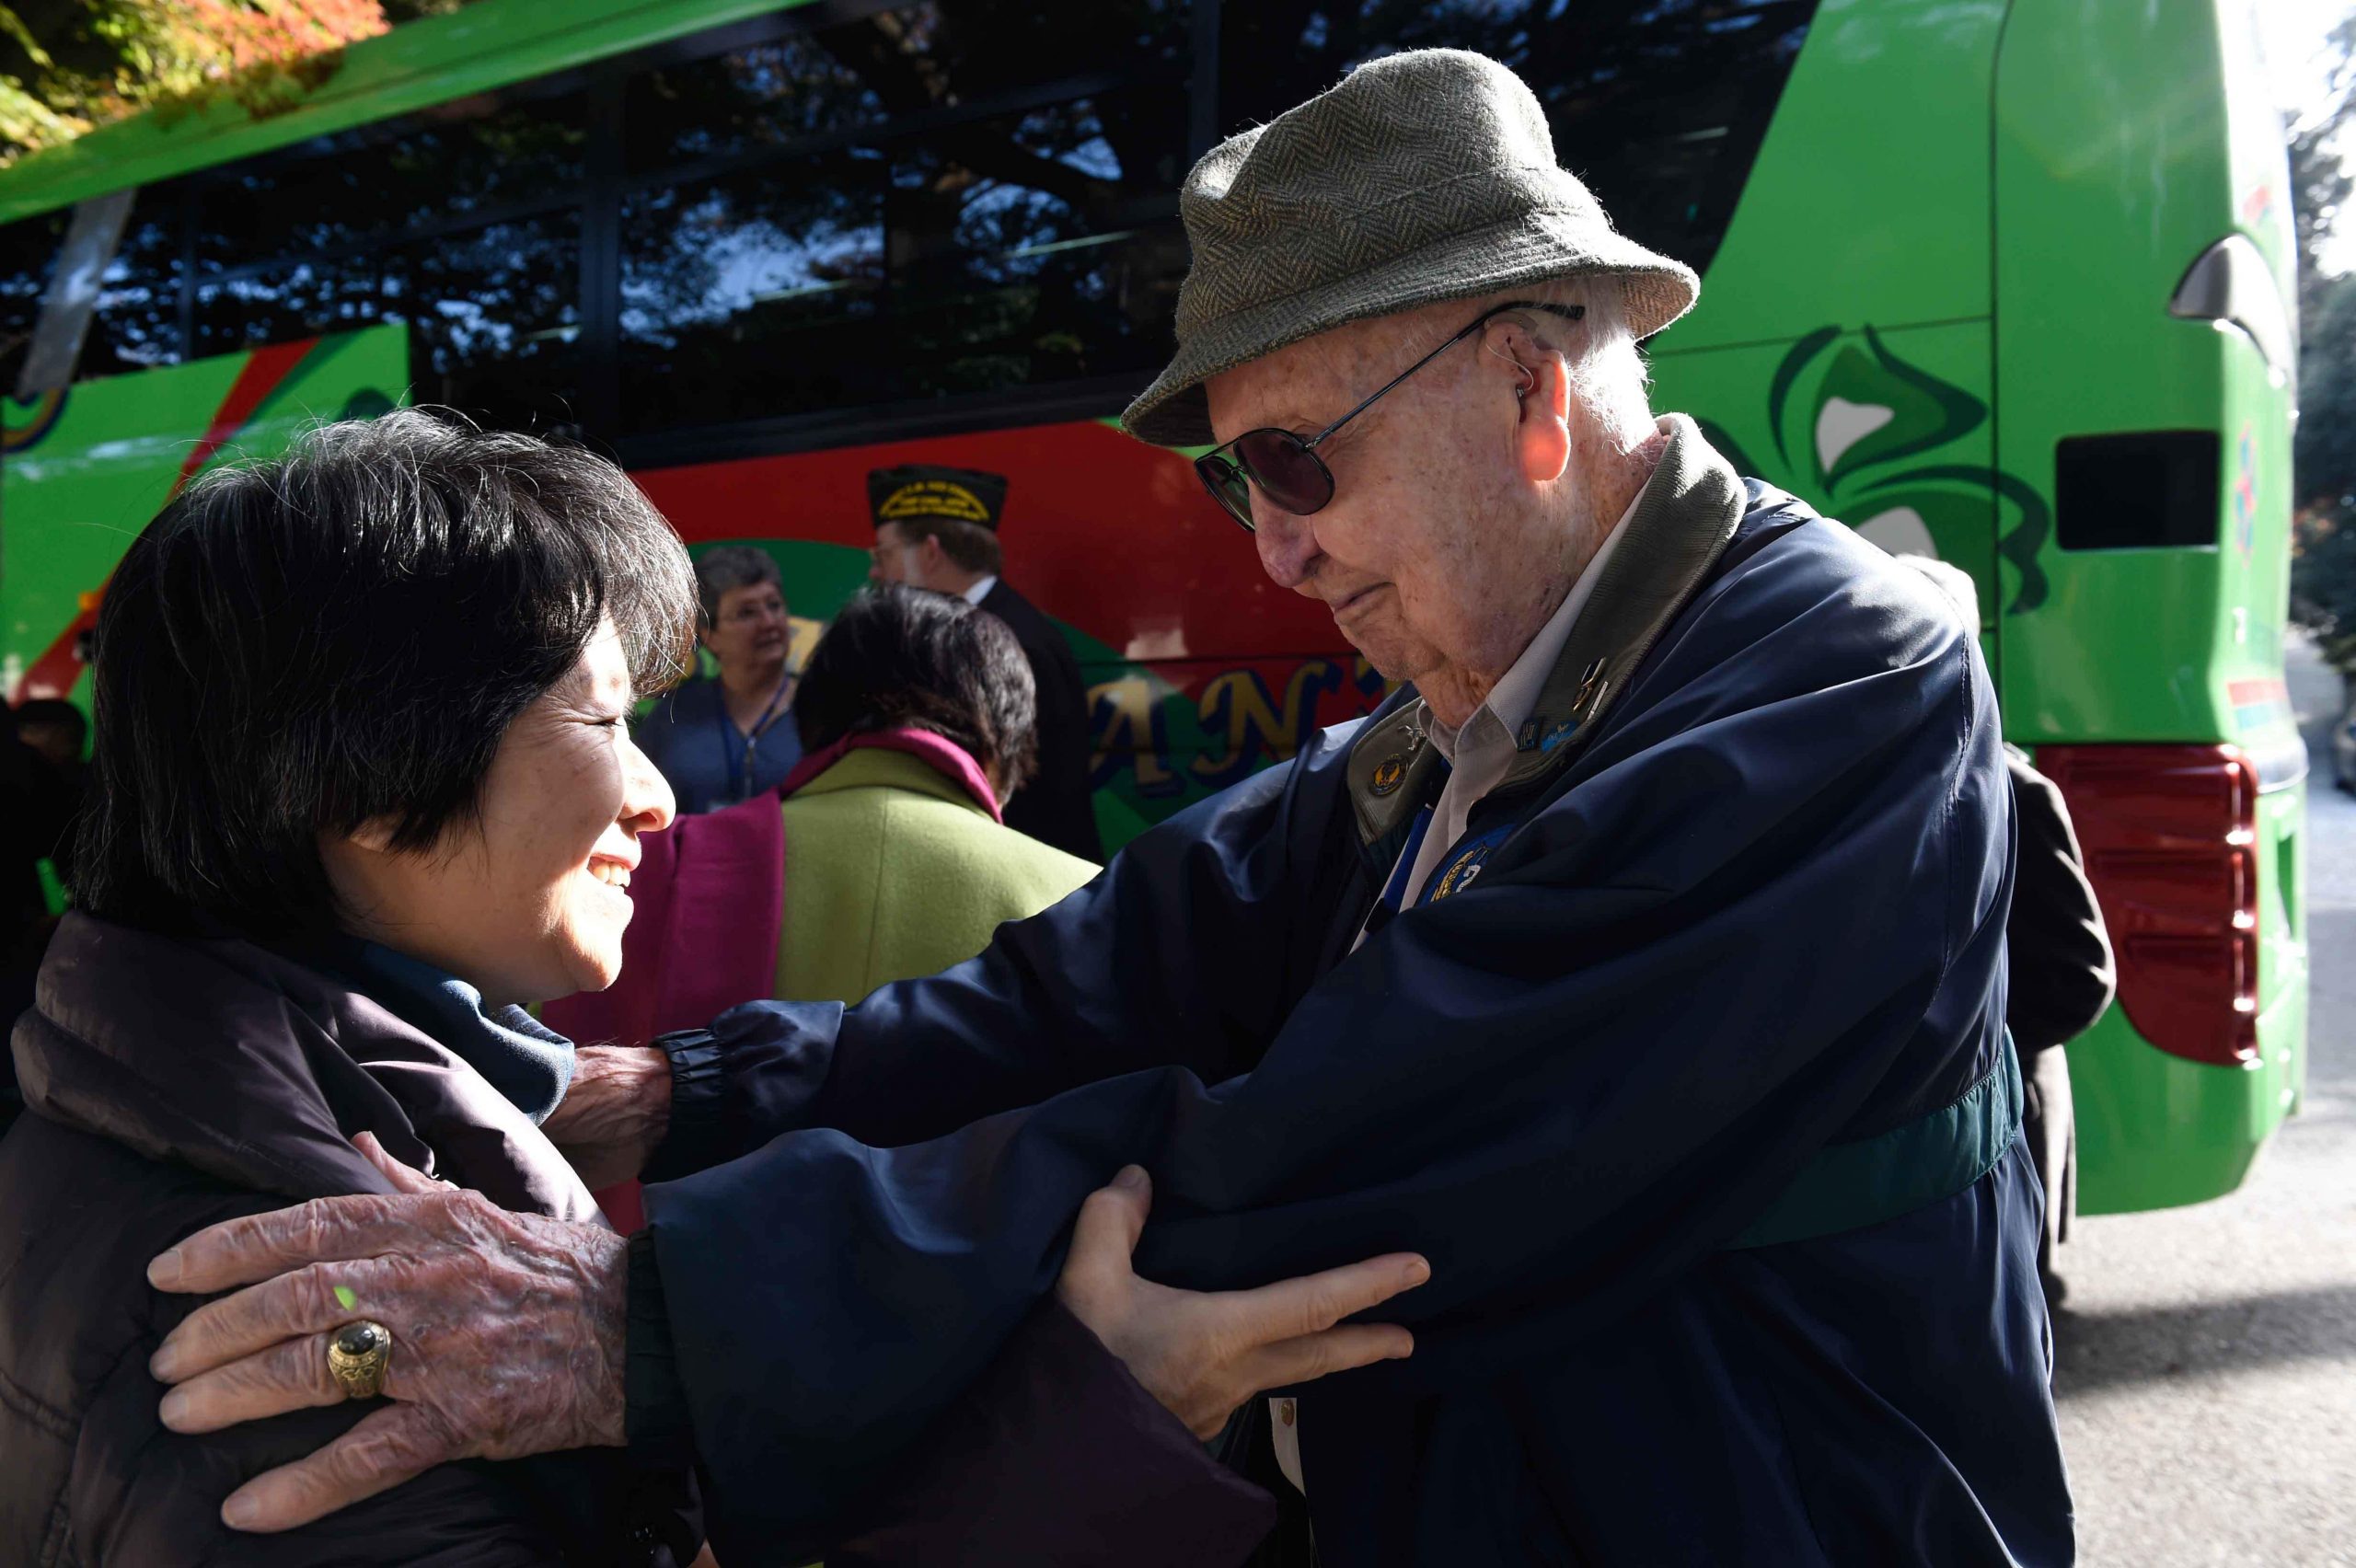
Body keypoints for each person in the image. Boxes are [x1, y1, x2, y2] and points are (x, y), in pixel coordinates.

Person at [145, 50, 2073, 1567]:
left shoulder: (1836, 684)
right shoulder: (1455, 724)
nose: (1281, 550)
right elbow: (1094, 980)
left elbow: (1343, 1145)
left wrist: (653, 1321)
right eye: (1244, 486)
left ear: (1524, 389)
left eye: (1300, 462)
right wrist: (688, 1093)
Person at [0, 411, 1424, 1566]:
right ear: (365, 777)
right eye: (608, 718)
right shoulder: (310, 1311)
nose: (659, 798)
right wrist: (1096, 1440)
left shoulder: (270, 1105)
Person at [1900, 554, 2117, 1301]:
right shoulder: (1874, 781)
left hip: (2007, 1106)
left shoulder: (2018, 787)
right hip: (1936, 1138)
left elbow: (2081, 978)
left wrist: (1975, 1033)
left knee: (2018, 1304)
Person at [869, 463, 1105, 862]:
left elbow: (1012, 795)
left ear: (930, 553)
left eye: (886, 554)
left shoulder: (999, 641)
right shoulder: (999, 626)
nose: (877, 572)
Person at [634, 546, 803, 813]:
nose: (769, 622)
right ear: (710, 636)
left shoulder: (820, 709)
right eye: (747, 613)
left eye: (774, 605)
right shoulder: (675, 716)